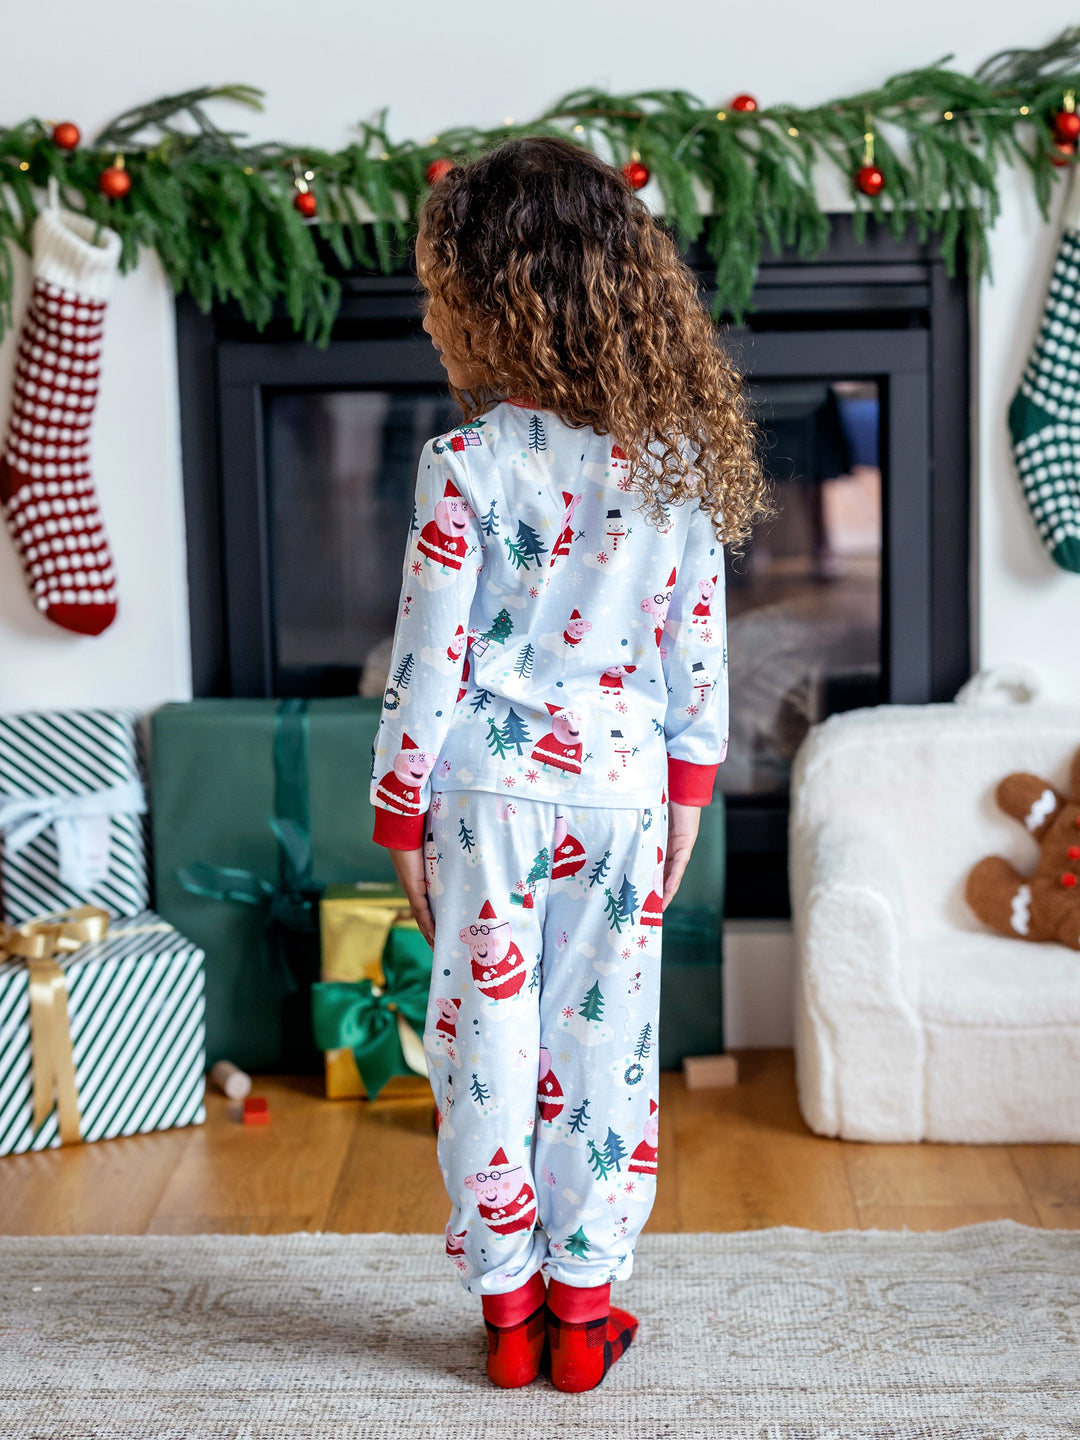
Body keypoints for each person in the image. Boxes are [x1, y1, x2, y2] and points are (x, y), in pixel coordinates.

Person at [369, 135, 768, 1393]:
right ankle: (585, 1311)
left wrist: (398, 812)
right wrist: (690, 792)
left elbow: (426, 662)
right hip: (622, 791)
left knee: (481, 1035)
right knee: (608, 1043)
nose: (433, 322)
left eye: (445, 298)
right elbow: (695, 650)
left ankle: (509, 1312)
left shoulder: (464, 467)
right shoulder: (678, 465)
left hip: (484, 794)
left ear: (502, 308)